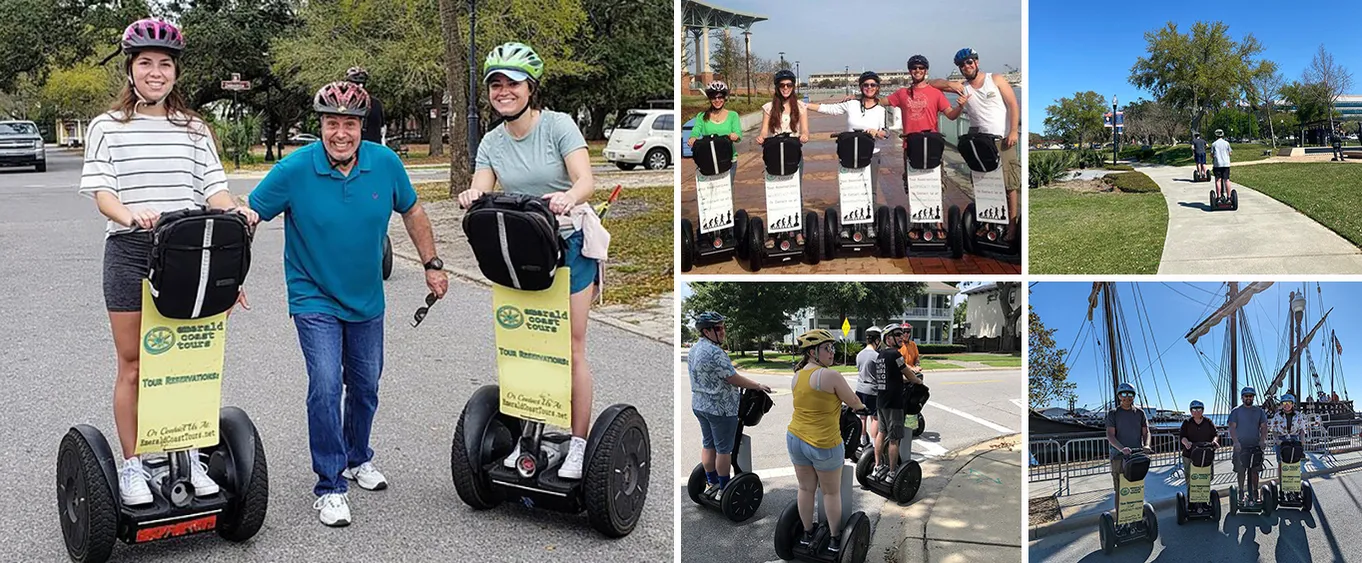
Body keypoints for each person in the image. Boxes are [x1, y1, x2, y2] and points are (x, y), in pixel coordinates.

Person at [243, 79, 447, 527]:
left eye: (350, 124)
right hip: (313, 295)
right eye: (332, 123)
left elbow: (412, 211)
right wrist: (231, 273)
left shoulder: (385, 163)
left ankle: (358, 458)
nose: (341, 132)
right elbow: (252, 214)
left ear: (362, 127)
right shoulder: (294, 170)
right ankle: (330, 485)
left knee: (366, 385)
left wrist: (431, 263)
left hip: (367, 297)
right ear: (320, 126)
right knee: (325, 385)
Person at [79, 17, 259, 508]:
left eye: (164, 64)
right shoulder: (106, 127)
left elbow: (214, 191)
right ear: (131, 69)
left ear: (175, 72)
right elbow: (103, 195)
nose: (155, 72)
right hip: (131, 249)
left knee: (188, 363)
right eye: (145, 63)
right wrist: (130, 214)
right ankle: (134, 465)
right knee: (135, 364)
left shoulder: (195, 129)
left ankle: (190, 455)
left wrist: (236, 208)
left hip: (185, 250)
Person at [455, 42, 606, 482]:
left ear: (530, 87)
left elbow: (586, 179)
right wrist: (472, 194)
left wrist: (568, 197)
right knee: (523, 347)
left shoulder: (558, 126)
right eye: (495, 84)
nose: (503, 91)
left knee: (571, 348)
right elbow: (482, 186)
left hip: (569, 248)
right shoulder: (491, 141)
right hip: (521, 254)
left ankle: (577, 444)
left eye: (512, 83)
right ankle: (526, 437)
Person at [786, 329, 869, 556]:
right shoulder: (830, 376)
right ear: (813, 352)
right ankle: (834, 539)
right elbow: (852, 400)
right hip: (823, 442)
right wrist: (861, 407)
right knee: (831, 493)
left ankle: (806, 533)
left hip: (795, 438)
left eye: (832, 347)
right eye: (827, 348)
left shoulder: (797, 375)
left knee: (805, 488)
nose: (831, 352)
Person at [931, 48, 1022, 241]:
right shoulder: (963, 87)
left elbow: (1013, 104)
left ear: (977, 62)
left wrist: (1013, 130)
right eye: (962, 65)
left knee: (1009, 184)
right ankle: (987, 222)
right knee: (983, 183)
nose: (966, 67)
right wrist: (951, 85)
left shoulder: (995, 79)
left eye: (969, 62)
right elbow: (933, 84)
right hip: (979, 142)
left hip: (1001, 140)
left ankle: (1012, 227)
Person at [688, 312, 773, 499]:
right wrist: (757, 385)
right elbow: (732, 378)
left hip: (700, 405)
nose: (723, 331)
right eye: (718, 328)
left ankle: (712, 482)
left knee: (708, 445)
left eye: (723, 327)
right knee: (724, 450)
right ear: (707, 331)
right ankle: (724, 489)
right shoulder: (715, 352)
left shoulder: (695, 349)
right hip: (721, 409)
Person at [874, 323, 924, 478]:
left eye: (902, 334)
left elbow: (891, 376)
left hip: (881, 400)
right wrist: (918, 381)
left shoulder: (881, 355)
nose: (901, 337)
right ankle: (892, 472)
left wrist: (905, 379)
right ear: (888, 339)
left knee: (882, 433)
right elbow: (908, 374)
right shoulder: (896, 355)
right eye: (897, 335)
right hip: (894, 402)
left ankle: (877, 466)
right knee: (894, 438)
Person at [885, 55, 966, 141]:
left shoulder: (936, 93)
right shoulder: (901, 93)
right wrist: (871, 88)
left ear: (926, 71)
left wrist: (960, 107)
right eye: (914, 68)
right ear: (909, 70)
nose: (917, 70)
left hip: (932, 141)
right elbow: (881, 101)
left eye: (921, 68)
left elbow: (951, 115)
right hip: (910, 143)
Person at [808, 71, 894, 146]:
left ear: (877, 87)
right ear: (861, 87)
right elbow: (830, 109)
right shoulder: (852, 104)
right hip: (850, 152)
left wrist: (877, 133)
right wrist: (805, 105)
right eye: (866, 85)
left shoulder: (881, 109)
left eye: (873, 85)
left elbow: (886, 132)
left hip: (872, 153)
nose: (869, 87)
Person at [1105, 382, 1149, 510]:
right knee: (1121, 490)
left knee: (1136, 487)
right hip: (1119, 457)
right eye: (1123, 394)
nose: (1127, 397)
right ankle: (1121, 520)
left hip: (1136, 457)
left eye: (1130, 394)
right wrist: (1121, 448)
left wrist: (1146, 445)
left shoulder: (1140, 413)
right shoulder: (1113, 413)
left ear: (1134, 396)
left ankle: (1136, 515)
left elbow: (1146, 432)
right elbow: (1110, 435)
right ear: (1119, 396)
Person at [687, 81, 742, 180]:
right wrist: (693, 137)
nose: (717, 100)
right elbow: (696, 130)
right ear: (709, 98)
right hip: (708, 159)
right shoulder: (702, 116)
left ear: (724, 98)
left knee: (726, 191)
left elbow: (738, 133)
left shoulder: (733, 115)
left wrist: (735, 135)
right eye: (713, 97)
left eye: (720, 97)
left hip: (728, 159)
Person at [1227, 386, 1269, 504]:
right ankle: (1240, 490)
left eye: (1251, 396)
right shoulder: (1236, 411)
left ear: (1253, 397)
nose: (1248, 398)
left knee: (1255, 470)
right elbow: (1232, 427)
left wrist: (1263, 440)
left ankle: (1255, 491)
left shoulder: (1259, 411)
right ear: (1242, 398)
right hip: (1241, 446)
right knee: (1241, 470)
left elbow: (1264, 427)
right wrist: (1236, 442)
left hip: (1255, 445)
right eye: (1246, 396)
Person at [757, 69, 809, 147]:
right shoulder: (769, 107)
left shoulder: (801, 107)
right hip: (775, 146)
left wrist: (804, 135)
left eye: (789, 85)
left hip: (793, 147)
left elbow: (805, 129)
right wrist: (761, 137)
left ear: (793, 87)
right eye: (782, 85)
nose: (785, 88)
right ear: (777, 87)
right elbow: (764, 130)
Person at [853, 326, 883, 452]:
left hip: (860, 388)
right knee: (875, 417)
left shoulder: (859, 355)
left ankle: (863, 439)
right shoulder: (876, 356)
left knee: (862, 416)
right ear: (877, 340)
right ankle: (875, 443)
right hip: (873, 390)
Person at [1178, 400, 1219, 480]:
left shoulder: (1208, 422)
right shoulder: (1187, 422)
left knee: (1206, 477)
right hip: (1189, 455)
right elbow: (1182, 436)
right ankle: (1190, 492)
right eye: (1194, 410)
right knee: (1190, 478)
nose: (1196, 412)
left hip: (1206, 454)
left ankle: (1206, 491)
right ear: (1190, 411)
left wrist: (1214, 441)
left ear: (1203, 410)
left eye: (1199, 409)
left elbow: (1215, 434)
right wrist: (1186, 443)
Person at [345, 66, 386, 146]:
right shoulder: (376, 103)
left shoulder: (345, 103)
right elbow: (382, 130)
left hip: (355, 147)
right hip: (373, 147)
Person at [1211, 129, 1232, 201]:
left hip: (1217, 164)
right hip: (1226, 164)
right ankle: (1229, 197)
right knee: (1227, 180)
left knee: (1218, 180)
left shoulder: (1214, 144)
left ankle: (1219, 197)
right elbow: (1230, 153)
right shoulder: (1227, 143)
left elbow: (1212, 155)